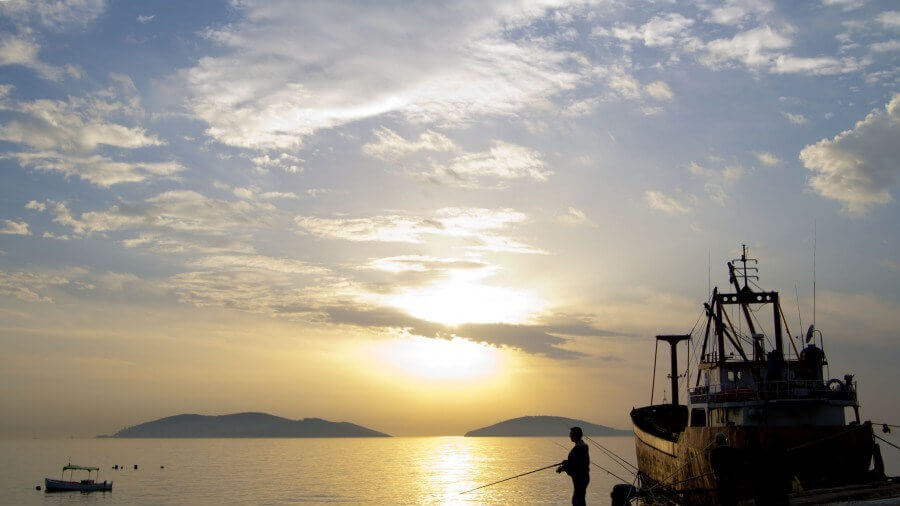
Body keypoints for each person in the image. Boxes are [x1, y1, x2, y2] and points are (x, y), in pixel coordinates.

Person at [557, 426, 590, 505]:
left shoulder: (579, 448)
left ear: (575, 435)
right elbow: (576, 461)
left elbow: (576, 465)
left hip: (580, 478)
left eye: (571, 434)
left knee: (577, 501)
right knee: (579, 499)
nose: (569, 436)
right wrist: (566, 462)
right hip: (582, 477)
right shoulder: (582, 446)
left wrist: (562, 468)